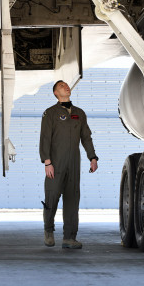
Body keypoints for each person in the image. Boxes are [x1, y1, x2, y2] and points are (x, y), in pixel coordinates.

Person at [39, 80, 98, 249]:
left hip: (74, 163)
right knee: (52, 196)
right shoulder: (50, 113)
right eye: (61, 86)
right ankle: (49, 231)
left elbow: (86, 137)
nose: (66, 87)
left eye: (67, 85)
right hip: (55, 163)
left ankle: (69, 237)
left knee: (72, 199)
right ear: (56, 93)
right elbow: (45, 138)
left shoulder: (79, 113)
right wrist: (47, 162)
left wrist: (92, 157)